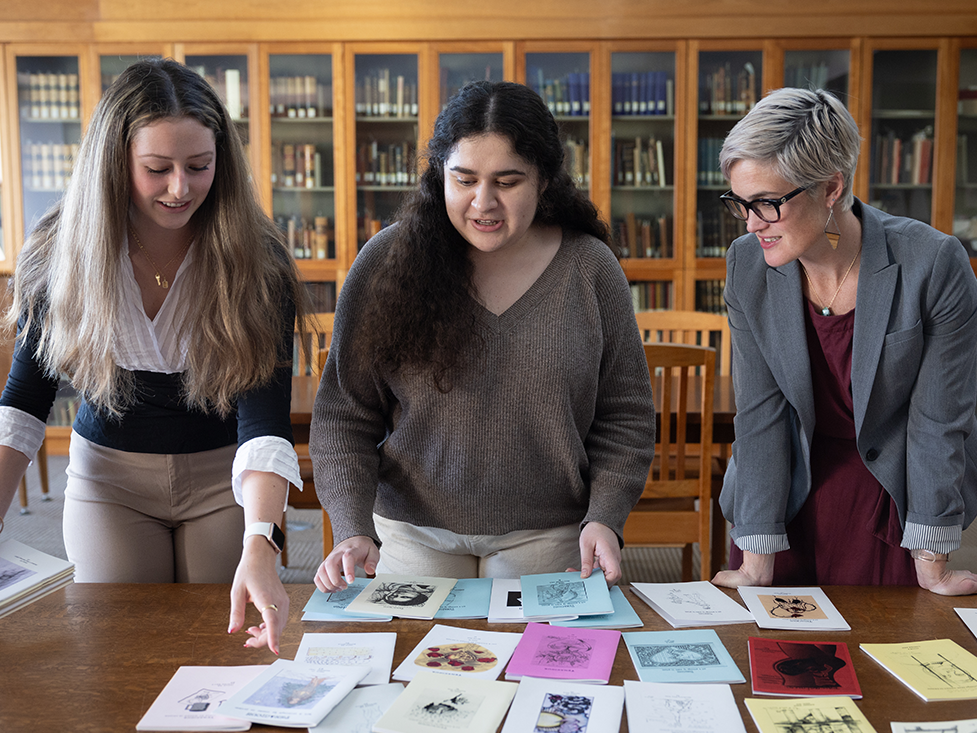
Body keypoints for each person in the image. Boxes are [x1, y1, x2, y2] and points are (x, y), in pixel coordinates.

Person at [0, 58, 312, 652]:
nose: (180, 188)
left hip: (225, 479)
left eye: (199, 167)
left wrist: (262, 542)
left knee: (217, 647)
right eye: (156, 169)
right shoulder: (59, 251)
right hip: (108, 481)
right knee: (120, 647)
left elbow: (264, 420)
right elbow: (24, 401)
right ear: (114, 165)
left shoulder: (257, 259)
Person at [311, 80, 655, 592]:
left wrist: (605, 515)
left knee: (533, 671)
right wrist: (351, 528)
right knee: (416, 669)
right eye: (464, 179)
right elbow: (344, 414)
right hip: (411, 534)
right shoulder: (385, 263)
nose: (483, 202)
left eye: (508, 181)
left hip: (550, 534)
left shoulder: (589, 267)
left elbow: (625, 412)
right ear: (438, 177)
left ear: (544, 180)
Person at [712, 87, 977, 595]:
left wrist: (932, 559)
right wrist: (756, 557)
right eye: (740, 204)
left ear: (831, 188)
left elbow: (938, 421)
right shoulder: (746, 265)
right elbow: (761, 414)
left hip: (889, 499)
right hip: (781, 496)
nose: (751, 224)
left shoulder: (933, 264)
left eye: (766, 204)